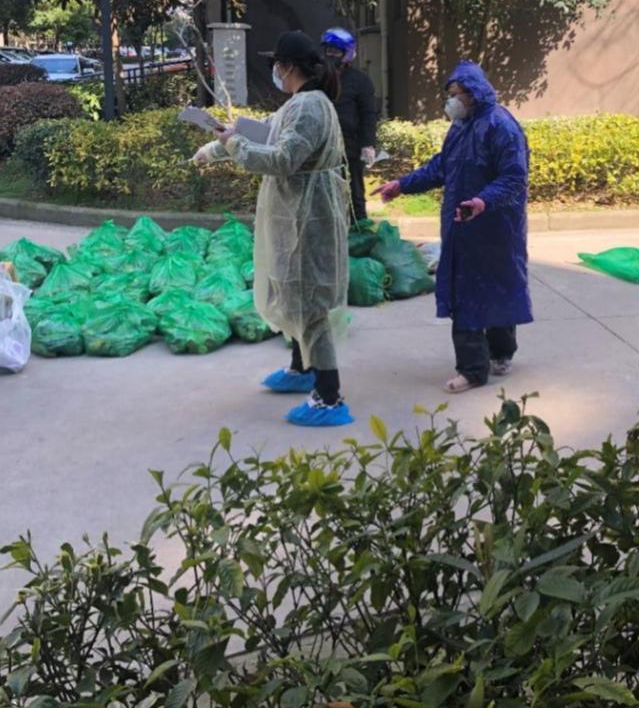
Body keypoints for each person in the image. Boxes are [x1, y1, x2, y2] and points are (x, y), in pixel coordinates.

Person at [194, 31, 353, 427]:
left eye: (276, 65)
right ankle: (301, 368)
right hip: (293, 213)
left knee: (309, 301)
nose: (275, 72)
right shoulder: (297, 104)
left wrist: (233, 146)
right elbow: (263, 132)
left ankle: (329, 396)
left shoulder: (311, 107)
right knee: (290, 291)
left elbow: (283, 158)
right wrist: (217, 145)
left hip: (309, 216)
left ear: (288, 67)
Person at [374, 61, 532, 392]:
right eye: (451, 94)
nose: (452, 101)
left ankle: (496, 355)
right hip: (463, 224)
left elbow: (513, 177)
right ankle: (476, 365)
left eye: (458, 94)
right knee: (467, 293)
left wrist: (483, 201)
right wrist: (402, 184)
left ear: (474, 93)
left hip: (495, 226)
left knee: (495, 288)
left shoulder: (501, 127)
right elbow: (441, 167)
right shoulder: (461, 127)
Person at [320, 27, 378, 223]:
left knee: (354, 192)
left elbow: (368, 114)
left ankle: (358, 228)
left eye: (335, 51)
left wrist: (368, 144)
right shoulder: (318, 77)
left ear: (347, 53)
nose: (330, 55)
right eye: (328, 50)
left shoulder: (359, 81)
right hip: (322, 145)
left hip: (350, 146)